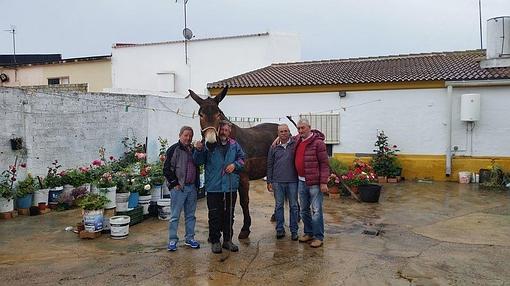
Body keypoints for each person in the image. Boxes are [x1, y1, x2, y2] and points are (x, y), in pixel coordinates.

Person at [194, 120, 245, 254]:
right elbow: (198, 161)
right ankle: (215, 240)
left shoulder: (235, 145)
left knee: (229, 214)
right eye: (221, 130)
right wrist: (198, 150)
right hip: (214, 186)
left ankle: (228, 240)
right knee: (214, 214)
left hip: (230, 186)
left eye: (226, 130)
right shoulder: (209, 146)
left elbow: (242, 159)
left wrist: (235, 165)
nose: (223, 132)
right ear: (217, 130)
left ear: (229, 132)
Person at [163, 126, 201, 251]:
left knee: (190, 216)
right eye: (186, 135)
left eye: (190, 135)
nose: (188, 138)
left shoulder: (193, 150)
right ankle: (173, 240)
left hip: (192, 188)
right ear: (180, 135)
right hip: (179, 189)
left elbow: (198, 165)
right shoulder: (174, 149)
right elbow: (167, 169)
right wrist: (174, 184)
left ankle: (190, 238)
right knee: (175, 216)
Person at [294, 118, 329, 248]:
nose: (300, 130)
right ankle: (308, 232)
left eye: (303, 128)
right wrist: (277, 140)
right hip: (301, 181)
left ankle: (318, 237)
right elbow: (285, 138)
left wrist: (323, 182)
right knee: (303, 210)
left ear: (309, 127)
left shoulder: (318, 143)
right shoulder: (298, 140)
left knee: (316, 211)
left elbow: (324, 164)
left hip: (314, 183)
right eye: (298, 128)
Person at [267, 124, 299, 241]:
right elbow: (270, 165)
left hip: (293, 181)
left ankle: (294, 231)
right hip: (277, 182)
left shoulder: (295, 144)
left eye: (286, 131)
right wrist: (269, 181)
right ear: (278, 133)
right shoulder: (273, 147)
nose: (284, 133)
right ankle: (279, 229)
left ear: (289, 132)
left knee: (294, 207)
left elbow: (305, 134)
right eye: (281, 131)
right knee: (279, 206)